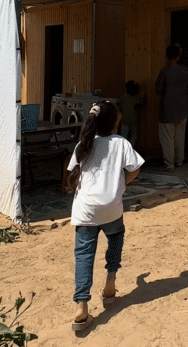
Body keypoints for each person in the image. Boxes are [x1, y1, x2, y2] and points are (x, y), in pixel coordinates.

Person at [66, 100, 144, 331]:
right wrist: (122, 184)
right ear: (115, 122)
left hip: (86, 208)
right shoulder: (121, 143)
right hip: (111, 206)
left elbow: (72, 169)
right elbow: (135, 168)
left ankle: (81, 305)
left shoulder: (84, 143)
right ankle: (110, 283)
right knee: (116, 237)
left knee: (84, 254)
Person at [155, 44, 188, 171]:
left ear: (167, 56)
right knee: (180, 137)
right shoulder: (185, 70)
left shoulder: (164, 72)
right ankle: (179, 161)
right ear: (178, 56)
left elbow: (158, 90)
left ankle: (169, 164)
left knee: (167, 138)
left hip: (167, 110)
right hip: (182, 108)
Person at [116, 80, 144, 148]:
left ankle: (125, 148)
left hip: (125, 120)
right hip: (134, 120)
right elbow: (139, 107)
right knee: (134, 135)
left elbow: (117, 103)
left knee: (124, 136)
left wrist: (120, 109)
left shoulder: (124, 97)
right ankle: (131, 147)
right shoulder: (137, 97)